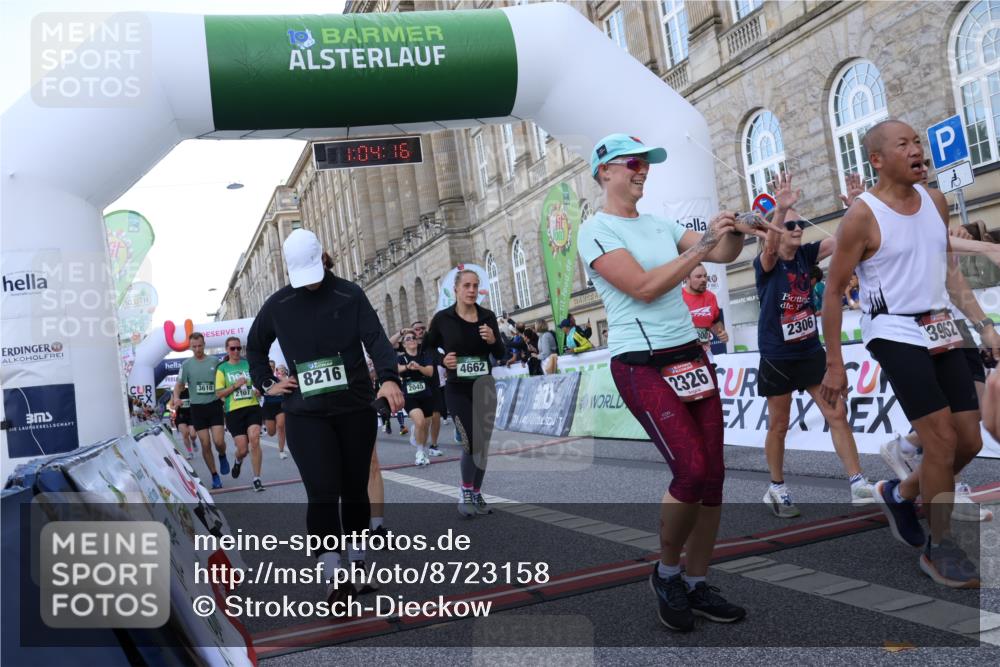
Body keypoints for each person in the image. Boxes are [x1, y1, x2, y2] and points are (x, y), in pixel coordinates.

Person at [578, 133, 763, 631]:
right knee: (690, 471)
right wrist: (703, 243)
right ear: (605, 171)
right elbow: (642, 286)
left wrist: (737, 227)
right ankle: (667, 574)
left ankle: (698, 583)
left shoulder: (660, 223)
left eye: (648, 164)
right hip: (641, 364)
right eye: (633, 163)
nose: (643, 170)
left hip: (689, 357)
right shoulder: (594, 229)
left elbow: (721, 254)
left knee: (714, 476)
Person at [821, 119, 1000, 589]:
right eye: (905, 144)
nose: (917, 149)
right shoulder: (862, 215)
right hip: (894, 330)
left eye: (918, 141)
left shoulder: (936, 202)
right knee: (939, 440)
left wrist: (984, 325)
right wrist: (834, 364)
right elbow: (834, 290)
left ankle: (900, 493)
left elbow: (949, 272)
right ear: (877, 160)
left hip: (941, 324)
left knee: (970, 441)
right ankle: (939, 547)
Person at [246, 229, 404, 604]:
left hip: (353, 408)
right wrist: (268, 381)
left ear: (323, 259)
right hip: (305, 414)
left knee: (353, 490)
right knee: (321, 492)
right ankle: (335, 577)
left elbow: (377, 340)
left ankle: (358, 566)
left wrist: (389, 380)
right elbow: (255, 347)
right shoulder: (278, 304)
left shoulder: (350, 294)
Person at [754, 171, 874, 516]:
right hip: (778, 355)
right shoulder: (767, 264)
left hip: (808, 350)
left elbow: (842, 240)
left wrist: (857, 207)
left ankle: (858, 482)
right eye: (789, 226)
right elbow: (769, 248)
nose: (796, 230)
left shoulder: (808, 256)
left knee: (836, 412)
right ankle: (776, 488)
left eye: (798, 225)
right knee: (779, 424)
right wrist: (780, 210)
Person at [423, 268, 505, 517]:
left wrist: (492, 340)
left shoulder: (488, 317)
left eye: (475, 286)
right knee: (471, 439)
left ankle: (477, 492)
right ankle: (465, 490)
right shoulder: (442, 319)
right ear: (456, 289)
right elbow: (426, 348)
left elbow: (501, 354)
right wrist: (441, 359)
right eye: (466, 286)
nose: (471, 290)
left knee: (483, 444)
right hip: (457, 388)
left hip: (484, 387)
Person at [172, 332, 228, 490]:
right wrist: (176, 397)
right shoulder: (186, 365)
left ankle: (222, 455)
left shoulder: (214, 361)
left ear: (204, 344)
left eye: (200, 346)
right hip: (197, 409)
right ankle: (214, 475)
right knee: (205, 443)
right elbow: (179, 384)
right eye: (194, 346)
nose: (197, 349)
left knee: (218, 441)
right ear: (190, 347)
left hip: (214, 405)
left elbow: (223, 381)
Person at [215, 337, 265, 492]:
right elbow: (219, 393)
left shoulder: (248, 364)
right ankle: (238, 460)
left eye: (238, 348)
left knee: (255, 439)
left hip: (252, 407)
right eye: (232, 348)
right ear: (227, 350)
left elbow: (257, 382)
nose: (236, 351)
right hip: (234, 411)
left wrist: (259, 390)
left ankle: (257, 478)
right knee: (243, 449)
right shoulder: (222, 368)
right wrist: (235, 386)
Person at [398, 332, 437, 465]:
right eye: (407, 339)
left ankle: (420, 442)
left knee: (426, 425)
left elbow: (430, 372)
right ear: (404, 344)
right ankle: (419, 453)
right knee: (420, 422)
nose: (411, 340)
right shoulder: (401, 358)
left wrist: (418, 367)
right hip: (409, 395)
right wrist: (407, 367)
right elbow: (395, 369)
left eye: (413, 338)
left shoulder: (425, 356)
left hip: (425, 392)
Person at [681, 263, 729, 353]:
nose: (703, 279)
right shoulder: (678, 298)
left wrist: (721, 333)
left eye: (705, 276)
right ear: (687, 278)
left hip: (705, 352)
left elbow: (715, 321)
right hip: (682, 352)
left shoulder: (711, 297)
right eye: (698, 277)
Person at [261, 360, 287, 460]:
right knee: (271, 433)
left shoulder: (279, 379)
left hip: (280, 405)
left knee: (281, 426)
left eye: (272, 366)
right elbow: (257, 392)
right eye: (269, 366)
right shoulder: (262, 380)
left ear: (274, 368)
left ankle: (281, 451)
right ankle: (270, 428)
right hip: (268, 407)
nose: (270, 368)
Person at [174, 387, 195, 459]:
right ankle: (190, 452)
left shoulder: (189, 390)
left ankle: (194, 441)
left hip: (191, 415)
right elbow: (170, 406)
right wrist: (176, 406)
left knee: (193, 435)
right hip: (181, 416)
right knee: (185, 434)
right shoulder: (175, 393)